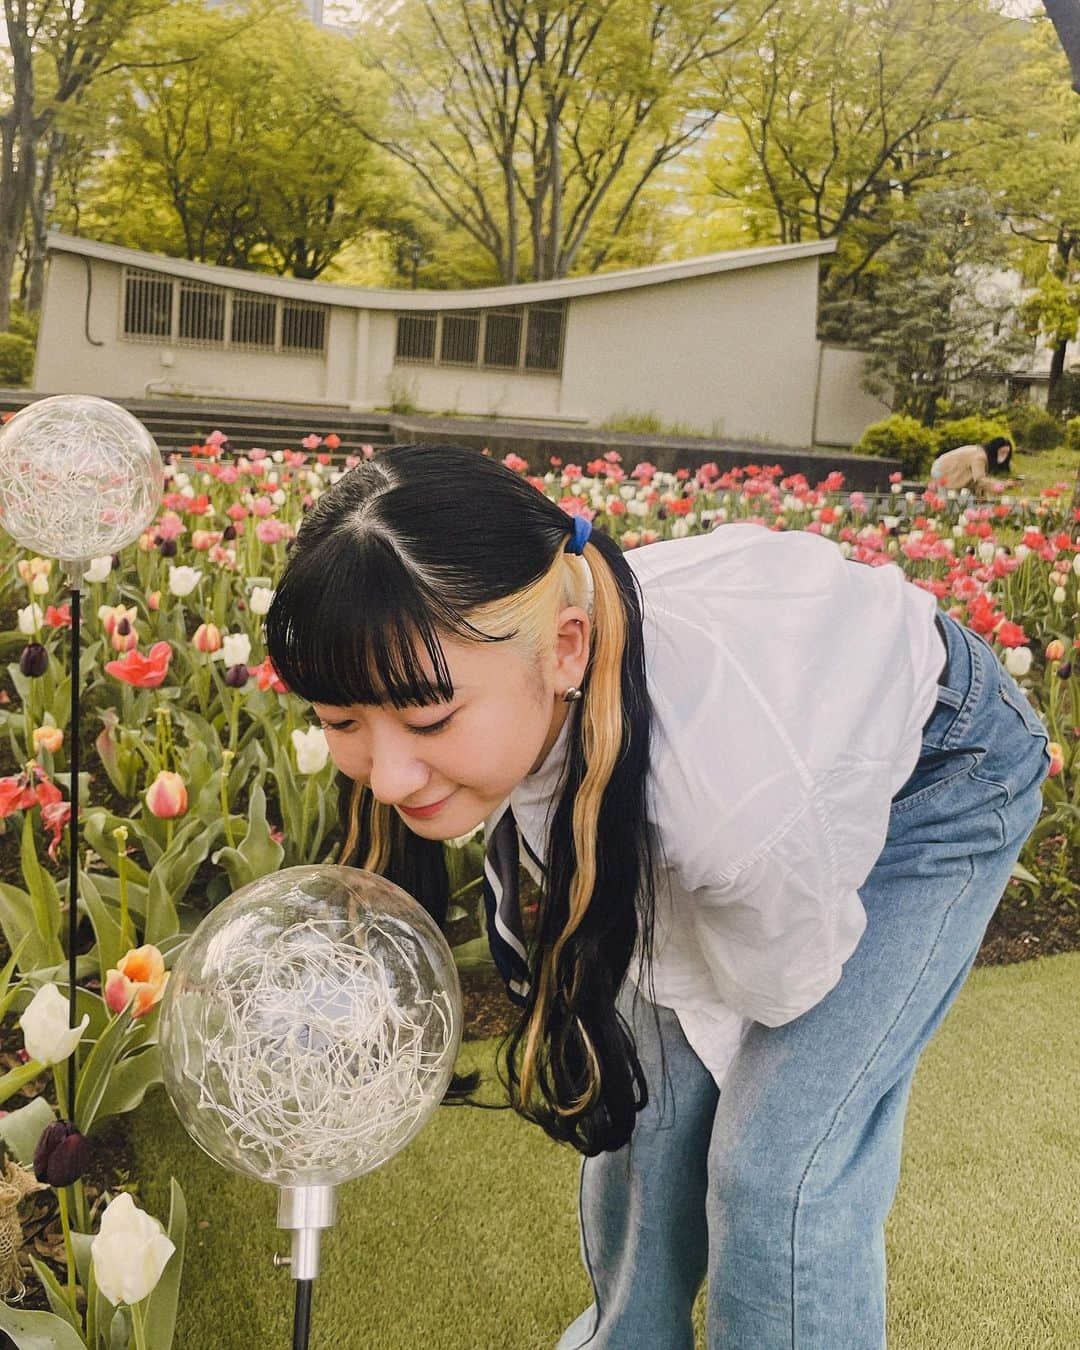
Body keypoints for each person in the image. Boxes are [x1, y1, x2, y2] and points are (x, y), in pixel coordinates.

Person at [264, 444, 1052, 1349]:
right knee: (650, 1109)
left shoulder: (726, 800)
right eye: (340, 722)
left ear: (566, 649)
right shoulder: (537, 677)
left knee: (778, 1168)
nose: (391, 775)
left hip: (938, 770)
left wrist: (720, 1092)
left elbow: (764, 991)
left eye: (431, 719)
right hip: (742, 764)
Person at [928, 434, 1014, 499]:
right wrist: (1001, 484)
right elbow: (979, 479)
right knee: (947, 500)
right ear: (994, 450)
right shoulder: (980, 457)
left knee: (960, 499)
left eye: (1007, 453)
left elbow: (975, 480)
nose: (1004, 456)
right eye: (1002, 452)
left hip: (944, 467)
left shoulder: (982, 454)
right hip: (943, 470)